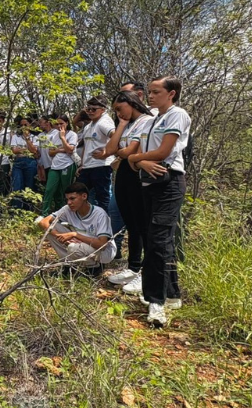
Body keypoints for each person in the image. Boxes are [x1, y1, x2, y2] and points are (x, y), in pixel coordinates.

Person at [128, 76, 191, 327]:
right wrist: (139, 161)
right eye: (150, 92)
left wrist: (136, 159)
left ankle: (157, 301)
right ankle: (172, 293)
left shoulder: (178, 115)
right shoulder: (154, 119)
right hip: (148, 183)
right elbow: (137, 156)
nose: (151, 96)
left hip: (169, 182)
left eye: (156, 92)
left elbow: (164, 152)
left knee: (158, 240)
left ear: (171, 93)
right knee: (157, 238)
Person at [103, 90, 154, 294]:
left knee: (142, 223)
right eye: (114, 111)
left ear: (131, 102)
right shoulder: (126, 124)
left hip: (137, 171)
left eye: (119, 108)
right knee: (130, 222)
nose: (117, 113)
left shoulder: (147, 120)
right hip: (123, 172)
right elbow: (110, 149)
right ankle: (133, 267)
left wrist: (121, 151)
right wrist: (122, 125)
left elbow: (129, 151)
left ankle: (147, 272)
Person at [36, 182, 116, 272]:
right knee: (50, 229)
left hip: (104, 252)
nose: (69, 202)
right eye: (67, 199)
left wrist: (75, 235)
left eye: (72, 198)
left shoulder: (100, 214)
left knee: (73, 247)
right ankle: (68, 264)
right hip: (81, 243)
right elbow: (43, 222)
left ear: (84, 196)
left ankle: (94, 268)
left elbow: (102, 245)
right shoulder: (68, 209)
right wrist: (59, 235)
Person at [76, 95, 115, 212]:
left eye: (94, 109)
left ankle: (106, 224)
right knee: (79, 194)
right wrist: (82, 164)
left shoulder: (104, 122)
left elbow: (116, 136)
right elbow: (86, 147)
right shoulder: (89, 126)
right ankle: (86, 220)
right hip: (88, 166)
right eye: (88, 109)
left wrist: (107, 152)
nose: (90, 112)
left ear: (103, 109)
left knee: (103, 197)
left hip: (101, 165)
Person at [41, 114, 78, 215]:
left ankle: (67, 214)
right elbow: (50, 152)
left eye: (61, 123)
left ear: (67, 123)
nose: (59, 126)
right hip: (55, 165)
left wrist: (62, 138)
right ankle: (44, 214)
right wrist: (61, 149)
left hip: (67, 165)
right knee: (49, 189)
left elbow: (70, 150)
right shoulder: (54, 136)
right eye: (57, 124)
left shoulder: (72, 135)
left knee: (66, 190)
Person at [10, 115, 40, 210]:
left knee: (29, 186)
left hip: (30, 163)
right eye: (21, 125)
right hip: (18, 163)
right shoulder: (15, 136)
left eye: (25, 124)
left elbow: (34, 151)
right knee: (17, 186)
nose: (23, 127)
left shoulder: (35, 137)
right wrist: (27, 149)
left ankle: (28, 210)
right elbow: (14, 150)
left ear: (30, 125)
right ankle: (16, 209)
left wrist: (27, 139)